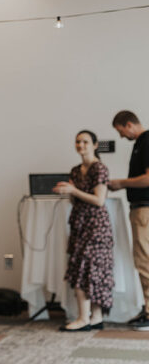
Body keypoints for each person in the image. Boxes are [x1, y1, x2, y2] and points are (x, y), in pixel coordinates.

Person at [53, 130, 114, 331]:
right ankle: (95, 317)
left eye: (85, 142)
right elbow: (76, 198)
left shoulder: (100, 169)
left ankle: (84, 318)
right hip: (79, 223)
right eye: (78, 142)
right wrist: (68, 191)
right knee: (85, 267)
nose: (81, 145)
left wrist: (74, 191)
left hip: (96, 226)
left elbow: (99, 200)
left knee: (87, 268)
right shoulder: (75, 170)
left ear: (95, 145)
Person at [109, 110, 149, 329]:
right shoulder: (141, 143)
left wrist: (121, 183)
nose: (121, 136)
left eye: (120, 130)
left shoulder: (147, 141)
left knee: (144, 260)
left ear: (128, 124)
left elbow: (148, 178)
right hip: (140, 209)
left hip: (144, 210)